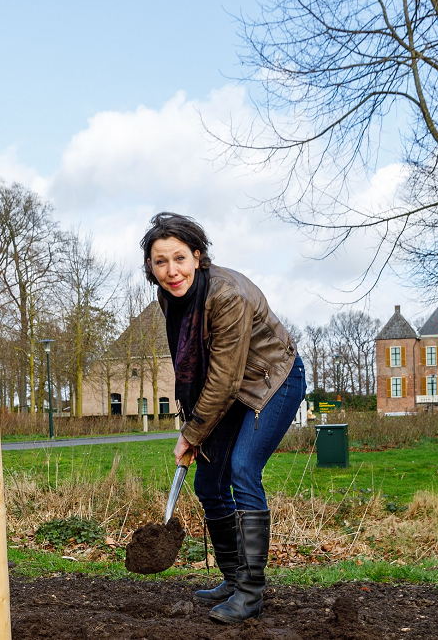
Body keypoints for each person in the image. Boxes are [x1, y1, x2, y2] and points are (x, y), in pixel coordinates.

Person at [140, 212, 306, 624]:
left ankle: (251, 593)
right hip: (227, 387)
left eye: (180, 258)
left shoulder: (228, 296)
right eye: (161, 261)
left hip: (272, 380)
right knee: (209, 482)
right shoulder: (170, 296)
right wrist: (194, 426)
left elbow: (225, 379)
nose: (171, 271)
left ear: (197, 256)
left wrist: (192, 433)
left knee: (242, 469)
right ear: (151, 267)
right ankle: (232, 580)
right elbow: (192, 363)